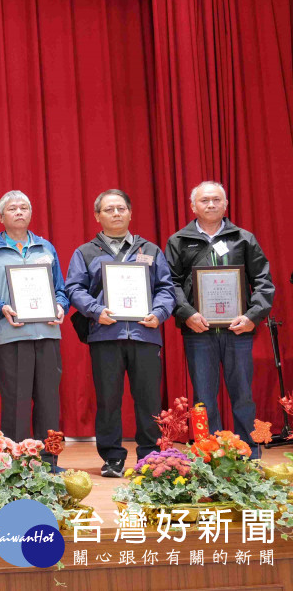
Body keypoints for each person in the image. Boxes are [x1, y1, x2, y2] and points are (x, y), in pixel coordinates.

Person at [66, 189, 175, 478]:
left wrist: (159, 313)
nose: (116, 213)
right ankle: (112, 457)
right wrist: (94, 310)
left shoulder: (150, 250)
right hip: (105, 335)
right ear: (97, 216)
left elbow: (166, 288)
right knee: (108, 400)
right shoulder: (85, 252)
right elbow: (74, 288)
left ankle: (150, 456)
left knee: (149, 400)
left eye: (121, 208)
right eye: (109, 209)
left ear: (130, 213)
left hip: (145, 334)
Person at [165, 181, 273, 458]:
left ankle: (249, 456)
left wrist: (252, 316)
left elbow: (263, 281)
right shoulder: (179, 241)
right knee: (203, 398)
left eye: (216, 200)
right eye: (204, 200)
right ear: (193, 206)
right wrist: (186, 313)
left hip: (239, 331)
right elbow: (170, 283)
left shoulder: (243, 238)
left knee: (243, 396)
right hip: (198, 331)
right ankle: (209, 457)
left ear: (226, 204)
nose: (211, 204)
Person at [0, 191, 68, 467]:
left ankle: (49, 462)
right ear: (0, 216)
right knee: (15, 403)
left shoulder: (46, 247)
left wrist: (60, 306)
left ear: (30, 213)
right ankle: (15, 463)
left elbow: (61, 289)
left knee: (49, 402)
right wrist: (1, 307)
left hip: (47, 333)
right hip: (11, 336)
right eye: (12, 208)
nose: (19, 212)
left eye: (24, 207)